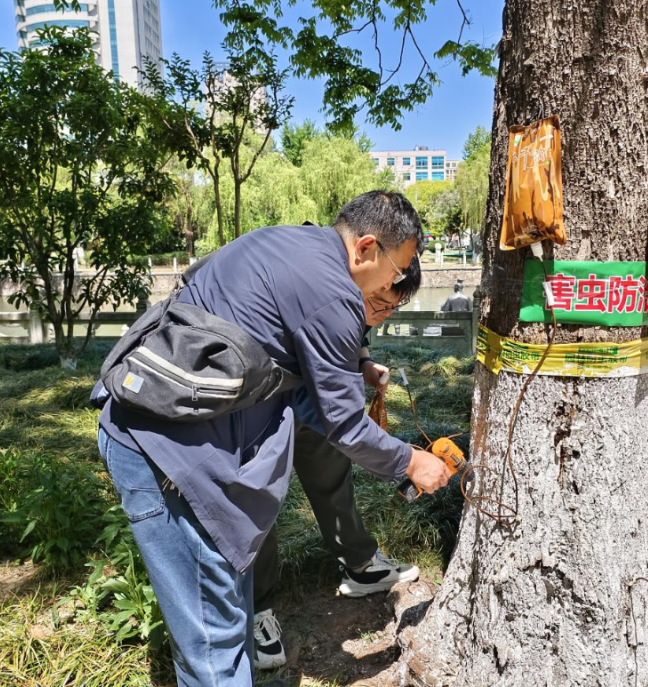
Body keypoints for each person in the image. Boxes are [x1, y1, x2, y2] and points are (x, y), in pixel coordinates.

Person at [94, 191, 451, 687]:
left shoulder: (287, 243)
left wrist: (349, 367)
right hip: (168, 460)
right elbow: (345, 424)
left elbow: (282, 363)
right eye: (397, 270)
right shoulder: (335, 293)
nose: (395, 283)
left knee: (225, 620)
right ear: (366, 248)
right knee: (216, 650)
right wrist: (411, 463)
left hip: (163, 431)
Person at [252, 258, 421, 670]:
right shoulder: (316, 284)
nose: (381, 314)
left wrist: (363, 361)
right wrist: (408, 464)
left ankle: (361, 566)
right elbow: (343, 420)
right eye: (381, 304)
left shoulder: (363, 284)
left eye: (391, 310)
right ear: (367, 258)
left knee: (331, 472)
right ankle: (254, 610)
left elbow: (352, 343)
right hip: (263, 397)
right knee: (258, 498)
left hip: (314, 398)